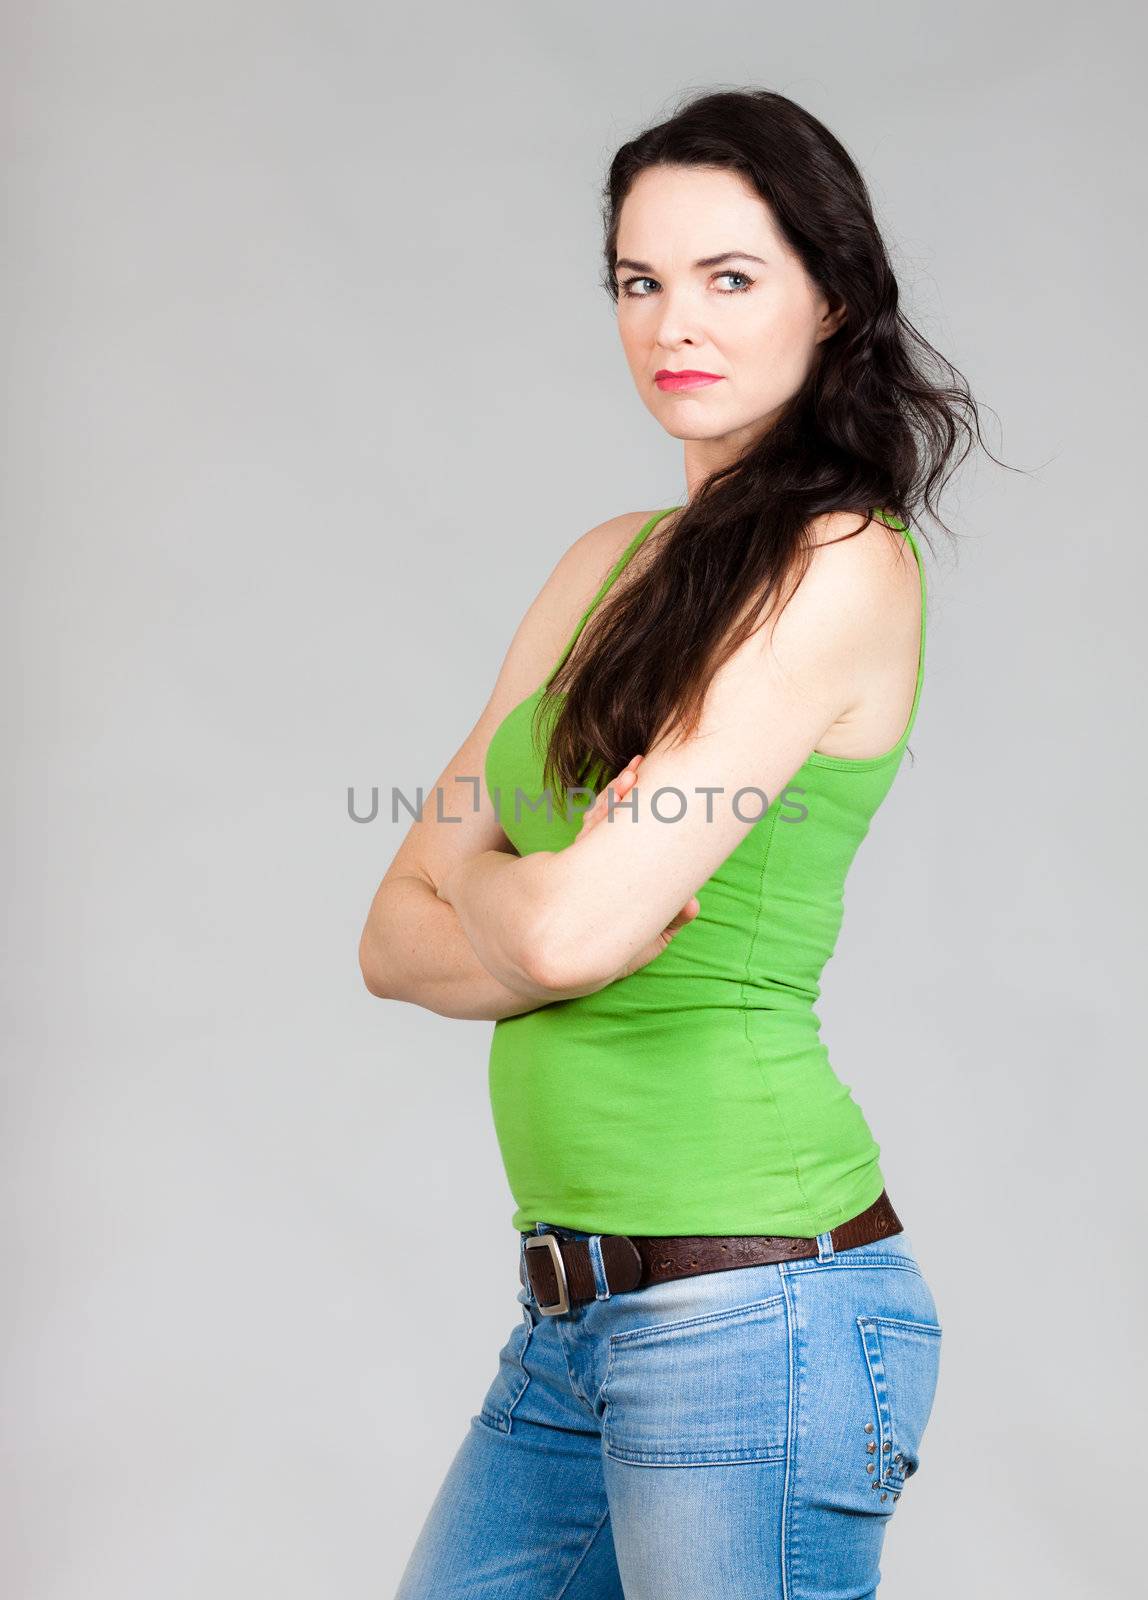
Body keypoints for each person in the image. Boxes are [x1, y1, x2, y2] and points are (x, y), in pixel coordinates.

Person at [360, 86, 992, 1599]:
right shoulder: (605, 561)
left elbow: (546, 933)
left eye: (730, 276)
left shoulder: (840, 563)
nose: (672, 324)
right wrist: (520, 890)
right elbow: (392, 936)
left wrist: (492, 885)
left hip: (757, 1317)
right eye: (639, 281)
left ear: (832, 300)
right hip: (572, 1316)